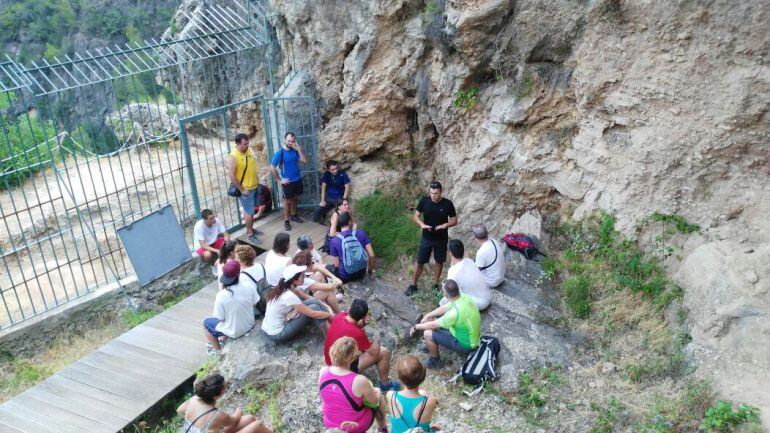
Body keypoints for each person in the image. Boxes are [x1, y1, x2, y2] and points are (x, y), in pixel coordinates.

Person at [324, 299, 400, 391]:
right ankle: (385, 385)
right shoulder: (357, 334)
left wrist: (362, 323)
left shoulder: (340, 316)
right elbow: (374, 352)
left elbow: (350, 326)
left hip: (330, 359)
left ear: (350, 309)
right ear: (363, 316)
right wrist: (376, 339)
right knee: (383, 352)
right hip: (339, 368)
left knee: (361, 348)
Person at [319, 337, 388, 433]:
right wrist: (375, 392)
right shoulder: (358, 380)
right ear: (353, 358)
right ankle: (382, 429)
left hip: (330, 424)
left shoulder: (323, 371)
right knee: (378, 393)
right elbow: (374, 400)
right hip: (354, 426)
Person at [409, 279, 481, 369]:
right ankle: (431, 346)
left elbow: (433, 325)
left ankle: (435, 361)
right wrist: (428, 315)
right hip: (470, 336)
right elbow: (445, 308)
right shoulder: (464, 297)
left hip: (466, 345)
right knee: (434, 318)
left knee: (427, 333)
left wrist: (416, 327)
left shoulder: (455, 313)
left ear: (446, 295)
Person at [405, 181, 457, 297]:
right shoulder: (424, 201)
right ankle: (413, 285)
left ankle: (435, 284)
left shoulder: (448, 204)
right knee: (420, 262)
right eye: (431, 193)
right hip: (426, 238)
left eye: (436, 193)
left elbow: (455, 220)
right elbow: (415, 216)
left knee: (439, 262)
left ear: (441, 192)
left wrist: (446, 225)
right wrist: (422, 224)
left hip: (441, 239)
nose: (433, 195)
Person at [261, 264, 334, 343]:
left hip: (268, 327)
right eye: (302, 276)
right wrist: (330, 314)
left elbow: (310, 298)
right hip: (277, 333)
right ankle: (332, 337)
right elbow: (313, 314)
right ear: (295, 281)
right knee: (314, 307)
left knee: (314, 302)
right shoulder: (289, 295)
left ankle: (331, 325)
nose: (304, 278)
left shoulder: (283, 288)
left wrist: (326, 307)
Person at [178, 373, 272, 433]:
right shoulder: (216, 415)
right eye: (224, 387)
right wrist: (238, 410)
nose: (225, 387)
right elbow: (234, 421)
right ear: (215, 396)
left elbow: (180, 410)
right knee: (258, 424)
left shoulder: (194, 399)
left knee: (250, 418)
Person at [203, 261, 260, 355]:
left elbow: (220, 318)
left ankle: (219, 352)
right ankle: (223, 339)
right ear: (238, 274)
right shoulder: (248, 285)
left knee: (205, 323)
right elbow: (254, 303)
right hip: (250, 323)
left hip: (234, 332)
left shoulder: (221, 295)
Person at [386, 355, 439, 433]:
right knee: (437, 428)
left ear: (400, 379)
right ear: (422, 377)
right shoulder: (430, 401)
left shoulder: (390, 396)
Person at [227, 133, 262, 244]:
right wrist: (242, 190)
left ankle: (251, 228)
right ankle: (250, 234)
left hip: (254, 186)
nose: (247, 145)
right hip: (246, 190)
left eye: (248, 143)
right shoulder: (233, 156)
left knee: (251, 211)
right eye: (245, 144)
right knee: (248, 211)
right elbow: (231, 175)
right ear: (238, 144)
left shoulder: (247, 151)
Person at [269, 131, 307, 232]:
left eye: (292, 141)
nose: (290, 143)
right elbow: (272, 167)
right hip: (288, 182)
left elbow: (304, 160)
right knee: (287, 202)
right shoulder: (280, 152)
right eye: (289, 141)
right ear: (285, 140)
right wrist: (279, 180)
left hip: (297, 179)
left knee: (295, 198)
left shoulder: (295, 151)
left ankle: (294, 215)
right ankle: (286, 221)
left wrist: (298, 148)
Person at [328, 212, 376, 283]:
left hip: (345, 276)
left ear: (338, 224)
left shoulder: (334, 241)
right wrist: (370, 270)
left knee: (324, 268)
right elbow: (372, 255)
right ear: (350, 222)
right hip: (361, 274)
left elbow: (336, 265)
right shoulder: (361, 233)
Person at [444, 239, 491, 310]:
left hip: (479, 304)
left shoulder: (452, 272)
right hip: (487, 296)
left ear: (450, 254)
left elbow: (449, 289)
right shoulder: (469, 261)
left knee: (448, 297)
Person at [235, 244, 269, 315]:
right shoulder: (260, 265)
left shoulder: (243, 276)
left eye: (237, 258)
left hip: (257, 304)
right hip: (266, 295)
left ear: (243, 261)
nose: (235, 260)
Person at [313, 160, 350, 224]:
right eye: (332, 169)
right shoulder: (326, 174)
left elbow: (347, 186)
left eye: (336, 168)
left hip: (340, 199)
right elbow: (323, 187)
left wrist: (344, 199)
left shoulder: (342, 174)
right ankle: (315, 225)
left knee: (340, 214)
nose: (335, 170)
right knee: (318, 210)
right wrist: (322, 200)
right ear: (328, 169)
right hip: (329, 198)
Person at [473, 223, 506, 288]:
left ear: (475, 237)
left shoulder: (481, 252)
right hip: (501, 277)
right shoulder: (493, 241)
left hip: (493, 282)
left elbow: (476, 271)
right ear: (487, 233)